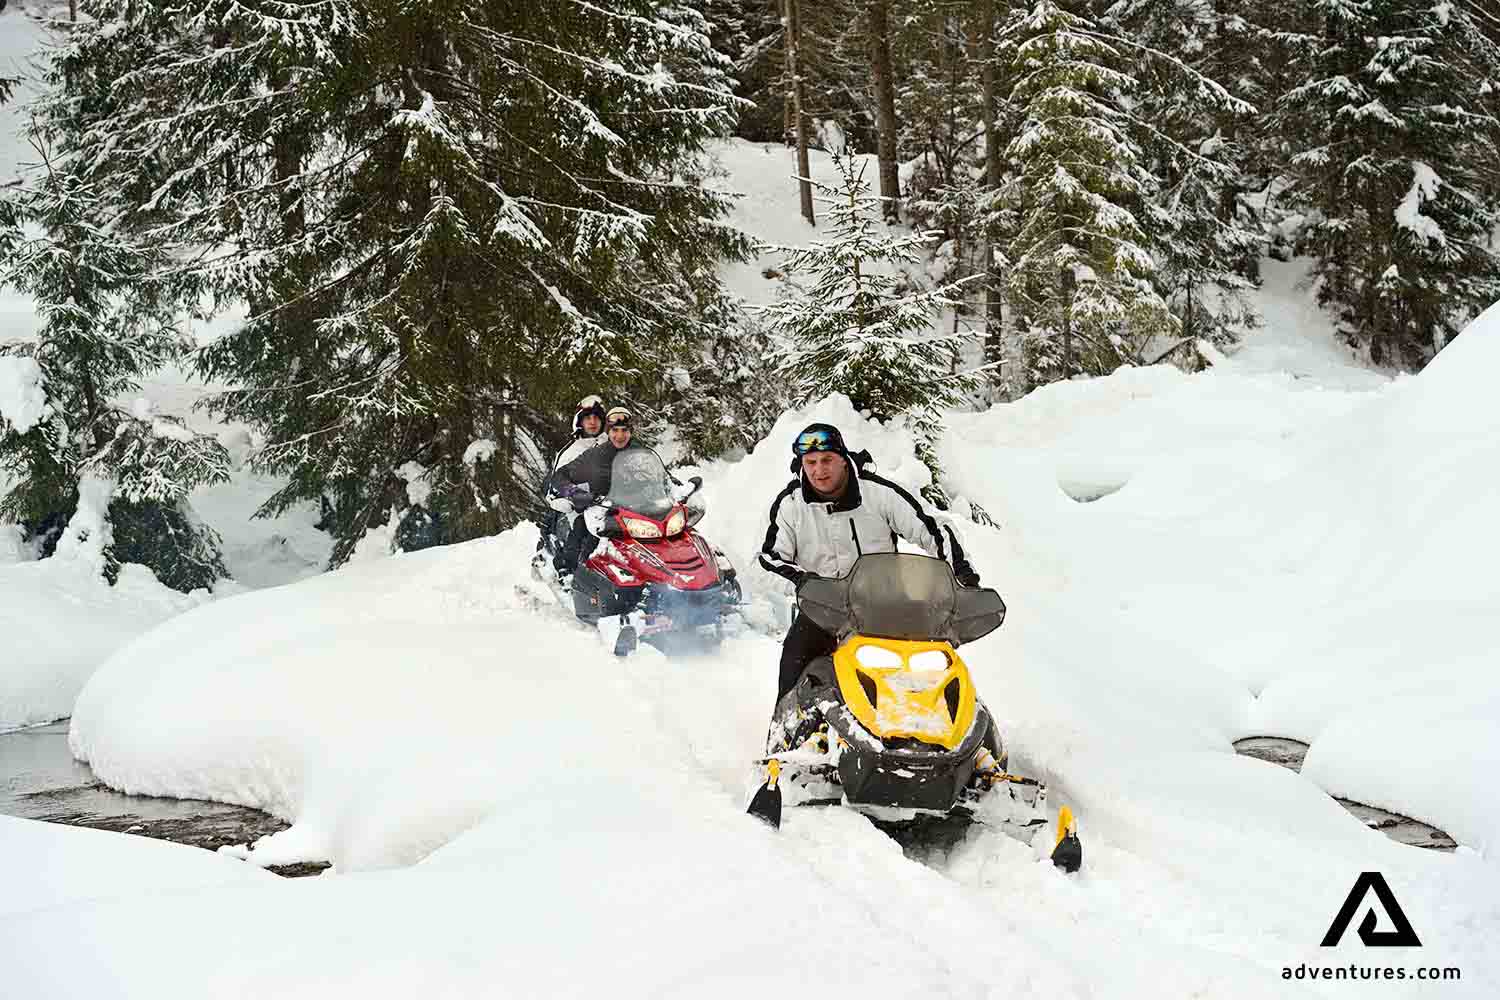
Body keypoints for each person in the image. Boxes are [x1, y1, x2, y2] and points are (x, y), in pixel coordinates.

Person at [758, 422, 981, 709]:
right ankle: (783, 737)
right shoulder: (790, 505)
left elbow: (934, 530)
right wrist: (804, 581)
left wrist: (963, 575)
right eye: (810, 462)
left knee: (932, 667)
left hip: (884, 605)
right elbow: (767, 559)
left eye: (827, 460)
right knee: (795, 659)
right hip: (822, 608)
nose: (818, 470)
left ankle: (950, 722)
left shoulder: (878, 494)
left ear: (842, 458)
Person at [549, 405, 646, 579]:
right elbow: (559, 476)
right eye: (615, 430)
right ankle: (571, 574)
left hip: (638, 512)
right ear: (608, 431)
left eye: (624, 430)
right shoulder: (595, 456)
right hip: (603, 515)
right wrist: (573, 493)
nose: (620, 436)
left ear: (631, 431)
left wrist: (676, 488)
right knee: (583, 534)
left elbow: (661, 476)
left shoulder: (640, 452)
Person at [537, 395, 608, 568]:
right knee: (582, 526)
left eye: (596, 418)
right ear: (580, 422)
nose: (592, 422)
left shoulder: (613, 444)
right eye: (588, 418)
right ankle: (569, 569)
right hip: (583, 506)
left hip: (615, 503)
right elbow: (556, 482)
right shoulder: (571, 451)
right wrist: (566, 497)